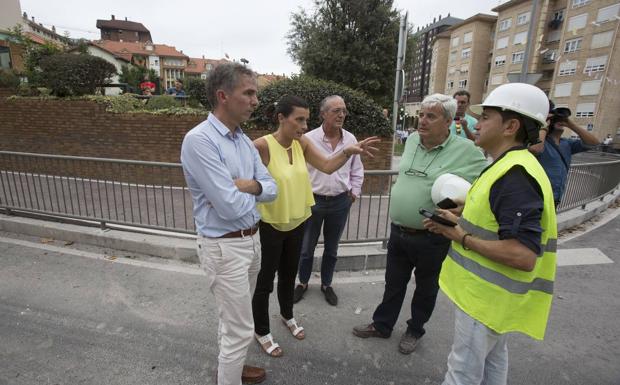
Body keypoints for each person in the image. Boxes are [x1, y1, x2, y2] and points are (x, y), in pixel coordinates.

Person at [423, 83, 558, 385]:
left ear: (511, 126)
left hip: (485, 301)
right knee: (493, 366)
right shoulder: (509, 166)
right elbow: (497, 218)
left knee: (462, 374)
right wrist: (461, 212)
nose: (477, 123)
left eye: (485, 117)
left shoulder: (515, 175)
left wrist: (461, 237)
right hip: (493, 300)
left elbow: (523, 255)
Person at [352, 93, 487, 355]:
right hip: (399, 230)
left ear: (448, 121)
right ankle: (382, 325)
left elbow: (484, 189)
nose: (422, 121)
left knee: (426, 288)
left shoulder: (466, 151)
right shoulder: (413, 140)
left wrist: (462, 209)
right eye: (422, 115)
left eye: (430, 116)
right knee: (393, 282)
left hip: (432, 235)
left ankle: (415, 330)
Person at [252, 95, 379, 357]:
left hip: (298, 220)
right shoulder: (261, 146)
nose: (303, 125)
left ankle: (287, 315)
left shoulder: (302, 143)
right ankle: (261, 330)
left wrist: (347, 151)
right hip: (271, 224)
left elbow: (328, 166)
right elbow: (244, 182)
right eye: (299, 119)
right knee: (265, 281)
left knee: (289, 275)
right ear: (281, 118)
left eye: (306, 120)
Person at [180, 63, 277, 385]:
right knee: (239, 327)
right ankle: (230, 374)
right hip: (225, 247)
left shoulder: (243, 141)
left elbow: (271, 189)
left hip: (251, 241)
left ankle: (232, 366)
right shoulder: (200, 141)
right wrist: (254, 189)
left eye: (255, 94)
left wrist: (248, 185)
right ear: (223, 96)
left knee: (234, 319)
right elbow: (229, 206)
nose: (255, 101)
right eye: (248, 93)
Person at [294, 95, 364, 307]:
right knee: (306, 248)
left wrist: (354, 193)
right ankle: (303, 282)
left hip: (340, 202)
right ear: (323, 114)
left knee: (332, 249)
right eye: (336, 111)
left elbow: (357, 169)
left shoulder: (351, 139)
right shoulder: (308, 138)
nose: (341, 114)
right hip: (313, 201)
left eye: (343, 110)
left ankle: (326, 284)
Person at [529, 101, 598, 206]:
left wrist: (570, 124)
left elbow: (594, 143)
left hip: (556, 196)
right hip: (536, 196)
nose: (559, 121)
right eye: (555, 119)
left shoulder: (567, 143)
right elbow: (535, 149)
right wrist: (544, 124)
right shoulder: (542, 141)